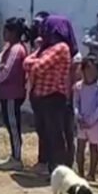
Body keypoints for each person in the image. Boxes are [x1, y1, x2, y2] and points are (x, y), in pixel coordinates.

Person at [24, 15, 75, 174]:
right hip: (41, 97)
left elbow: (37, 67)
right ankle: (48, 166)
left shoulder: (61, 47)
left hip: (53, 97)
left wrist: (36, 59)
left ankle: (59, 169)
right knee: (44, 133)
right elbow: (26, 63)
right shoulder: (45, 48)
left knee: (55, 136)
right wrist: (37, 54)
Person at [0, 18, 28, 170]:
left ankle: (17, 158)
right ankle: (14, 155)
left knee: (13, 126)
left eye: (6, 31)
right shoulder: (9, 47)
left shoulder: (16, 49)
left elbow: (7, 71)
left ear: (13, 32)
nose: (4, 33)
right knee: (9, 124)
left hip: (13, 93)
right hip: (7, 93)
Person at [74, 55, 98, 181]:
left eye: (93, 70)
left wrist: (91, 120)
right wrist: (78, 117)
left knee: (93, 148)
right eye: (88, 70)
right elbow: (76, 103)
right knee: (80, 147)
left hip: (95, 123)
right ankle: (80, 173)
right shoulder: (78, 86)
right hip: (82, 121)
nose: (90, 73)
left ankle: (91, 174)